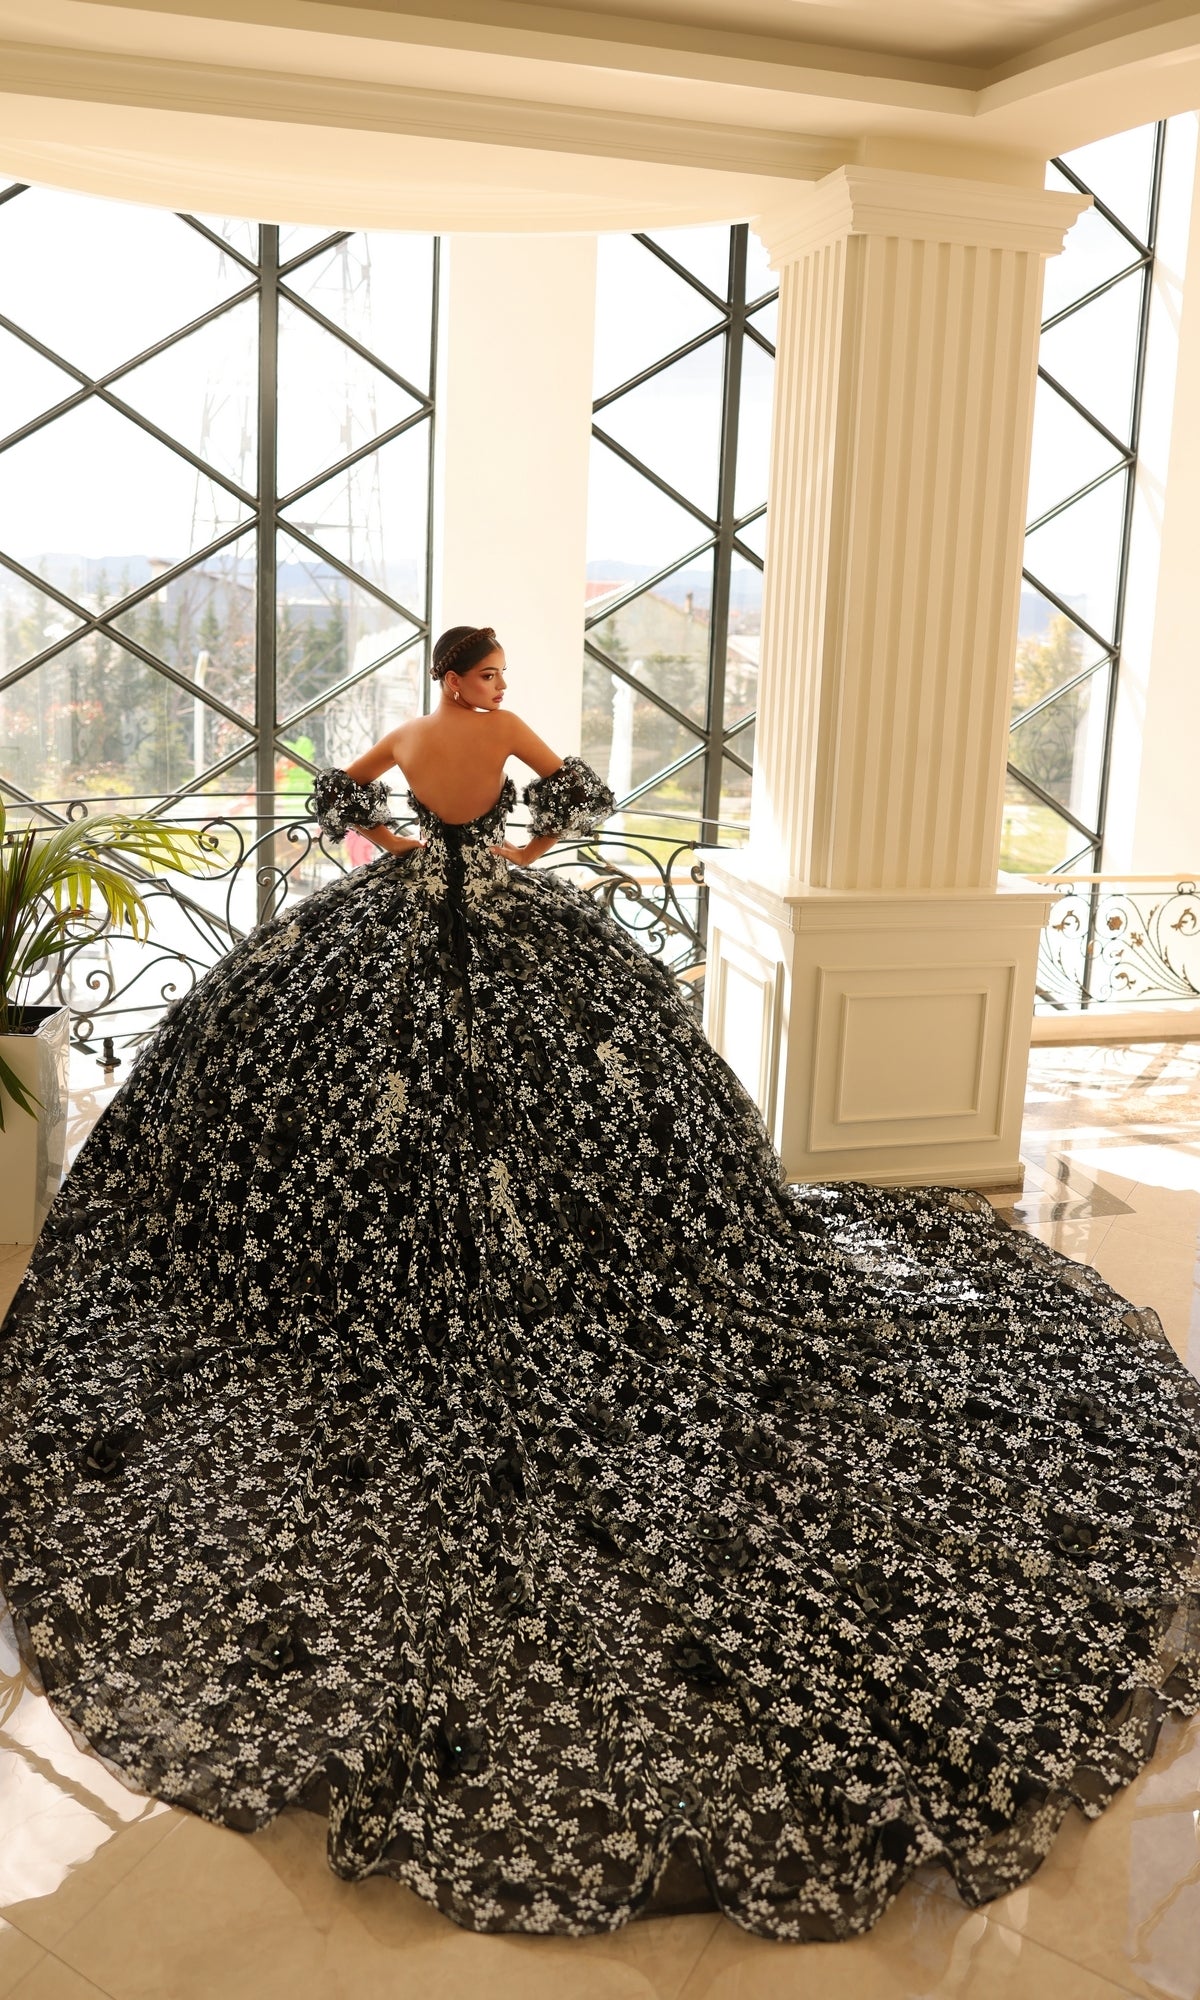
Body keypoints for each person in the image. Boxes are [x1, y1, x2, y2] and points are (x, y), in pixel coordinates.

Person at [0, 621, 1197, 1945]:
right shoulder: (492, 742)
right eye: (487, 679)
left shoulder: (421, 740)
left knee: (429, 1117)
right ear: (464, 680)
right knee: (511, 1117)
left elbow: (336, 798)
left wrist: (403, 852)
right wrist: (507, 857)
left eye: (497, 682)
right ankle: (469, 1260)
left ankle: (443, 1261)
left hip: (402, 912)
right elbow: (572, 796)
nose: (494, 697)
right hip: (500, 913)